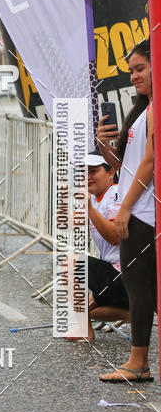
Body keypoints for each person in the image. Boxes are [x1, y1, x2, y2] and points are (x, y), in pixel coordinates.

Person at [96, 38, 155, 382]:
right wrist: (106, 151)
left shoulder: (156, 107)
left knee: (139, 287)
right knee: (145, 288)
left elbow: (150, 163)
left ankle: (138, 362)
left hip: (143, 213)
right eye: (131, 70)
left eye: (140, 68)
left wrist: (126, 208)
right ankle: (139, 363)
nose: (133, 76)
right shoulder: (143, 110)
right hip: (137, 209)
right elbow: (129, 167)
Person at [80, 153, 130, 341]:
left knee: (69, 264)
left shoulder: (115, 194)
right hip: (116, 273)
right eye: (84, 172)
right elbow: (68, 222)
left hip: (124, 274)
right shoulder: (96, 197)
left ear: (111, 172)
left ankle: (84, 332)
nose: (88, 176)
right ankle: (134, 314)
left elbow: (114, 238)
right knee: (84, 307)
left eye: (93, 171)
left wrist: (90, 210)